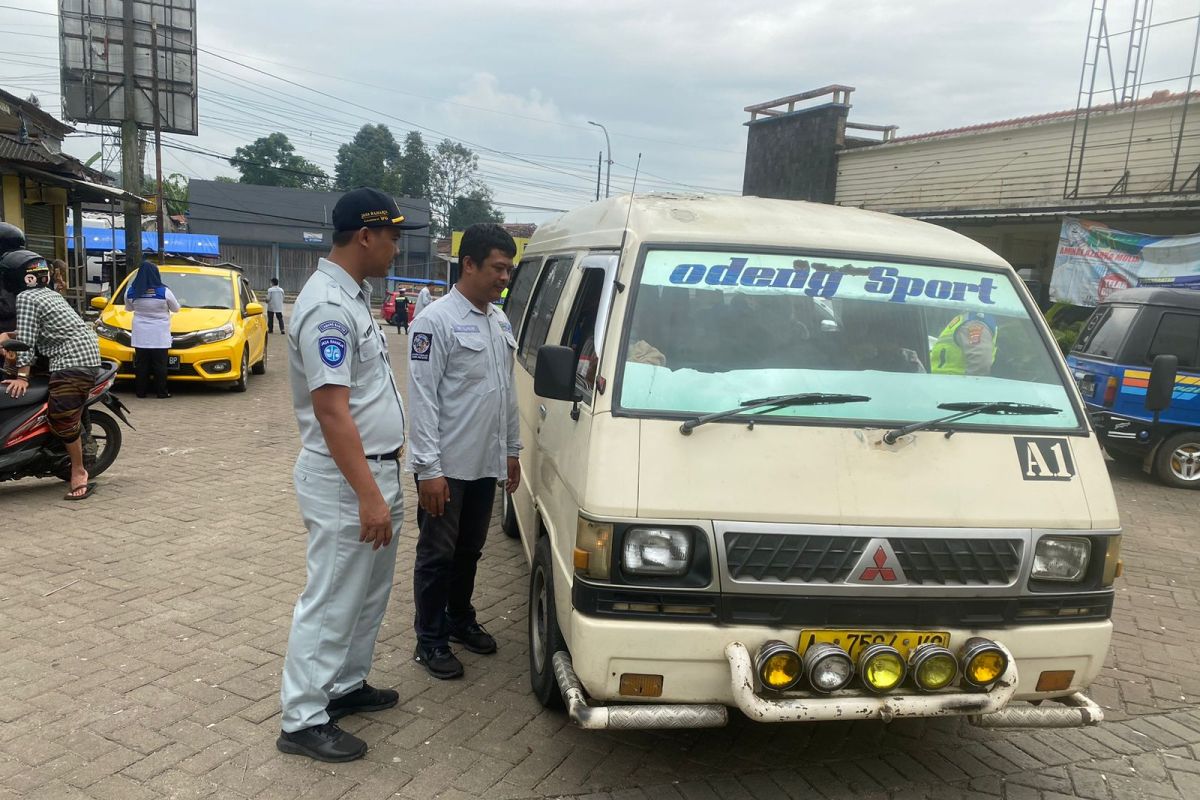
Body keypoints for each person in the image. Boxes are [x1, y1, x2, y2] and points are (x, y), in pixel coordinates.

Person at [277, 187, 422, 763]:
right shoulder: (327, 307)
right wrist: (368, 495)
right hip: (348, 480)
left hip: (376, 471)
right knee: (334, 595)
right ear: (365, 235)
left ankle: (343, 686)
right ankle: (303, 717)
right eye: (391, 236)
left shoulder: (353, 296)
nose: (395, 248)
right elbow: (331, 410)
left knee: (367, 594)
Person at [407, 222, 520, 680]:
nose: (504, 278)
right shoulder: (433, 322)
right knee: (437, 555)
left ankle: (458, 620)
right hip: (445, 468)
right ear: (468, 264)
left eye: (509, 270)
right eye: (498, 268)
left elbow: (505, 393)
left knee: (470, 550)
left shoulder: (499, 320)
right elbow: (423, 398)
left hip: (484, 463)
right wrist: (428, 470)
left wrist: (512, 450)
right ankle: (428, 640)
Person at [0, 250, 102, 501]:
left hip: (75, 360)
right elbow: (34, 328)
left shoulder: (26, 297)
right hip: (73, 351)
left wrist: (22, 376)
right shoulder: (48, 294)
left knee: (62, 417)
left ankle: (78, 471)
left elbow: (26, 340)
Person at [125, 261, 180, 399]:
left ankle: (141, 392)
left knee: (141, 364)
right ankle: (162, 392)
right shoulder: (164, 291)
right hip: (159, 334)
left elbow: (129, 308)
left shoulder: (131, 291)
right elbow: (176, 308)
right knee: (160, 365)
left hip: (140, 333)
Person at [930, 311, 998, 376]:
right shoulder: (964, 319)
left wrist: (967, 386)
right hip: (941, 382)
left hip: (953, 384)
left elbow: (980, 363)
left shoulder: (974, 322)